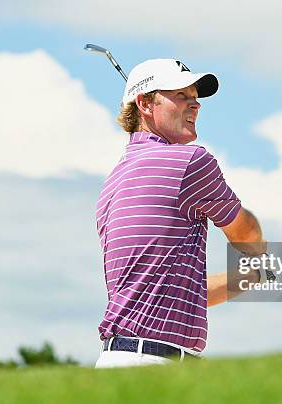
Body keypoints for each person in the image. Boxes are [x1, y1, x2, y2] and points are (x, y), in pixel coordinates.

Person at [94, 58, 265, 368]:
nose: (195, 105)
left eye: (195, 99)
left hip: (118, 360)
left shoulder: (113, 182)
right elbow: (244, 235)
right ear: (145, 103)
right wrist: (259, 253)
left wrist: (250, 277)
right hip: (154, 365)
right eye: (181, 96)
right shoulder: (190, 162)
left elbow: (170, 291)